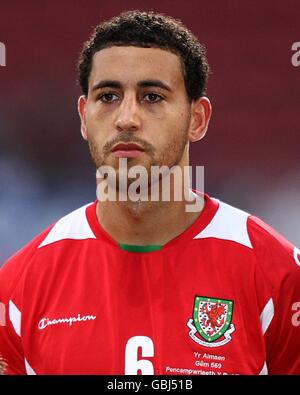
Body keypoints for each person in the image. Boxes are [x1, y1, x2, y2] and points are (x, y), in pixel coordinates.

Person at [0, 10, 299, 376]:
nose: (126, 118)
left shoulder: (278, 274)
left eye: (152, 97)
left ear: (198, 119)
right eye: (108, 96)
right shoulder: (19, 286)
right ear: (83, 117)